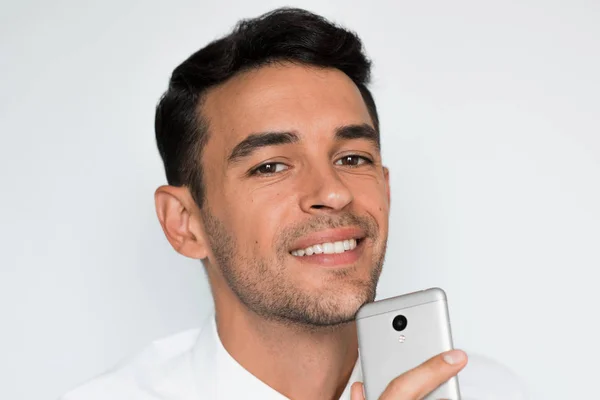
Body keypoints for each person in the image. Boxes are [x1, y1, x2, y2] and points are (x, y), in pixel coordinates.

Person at [61, 8, 527, 400]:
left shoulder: (493, 389)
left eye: (352, 157)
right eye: (270, 166)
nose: (333, 192)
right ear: (184, 223)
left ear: (385, 189)